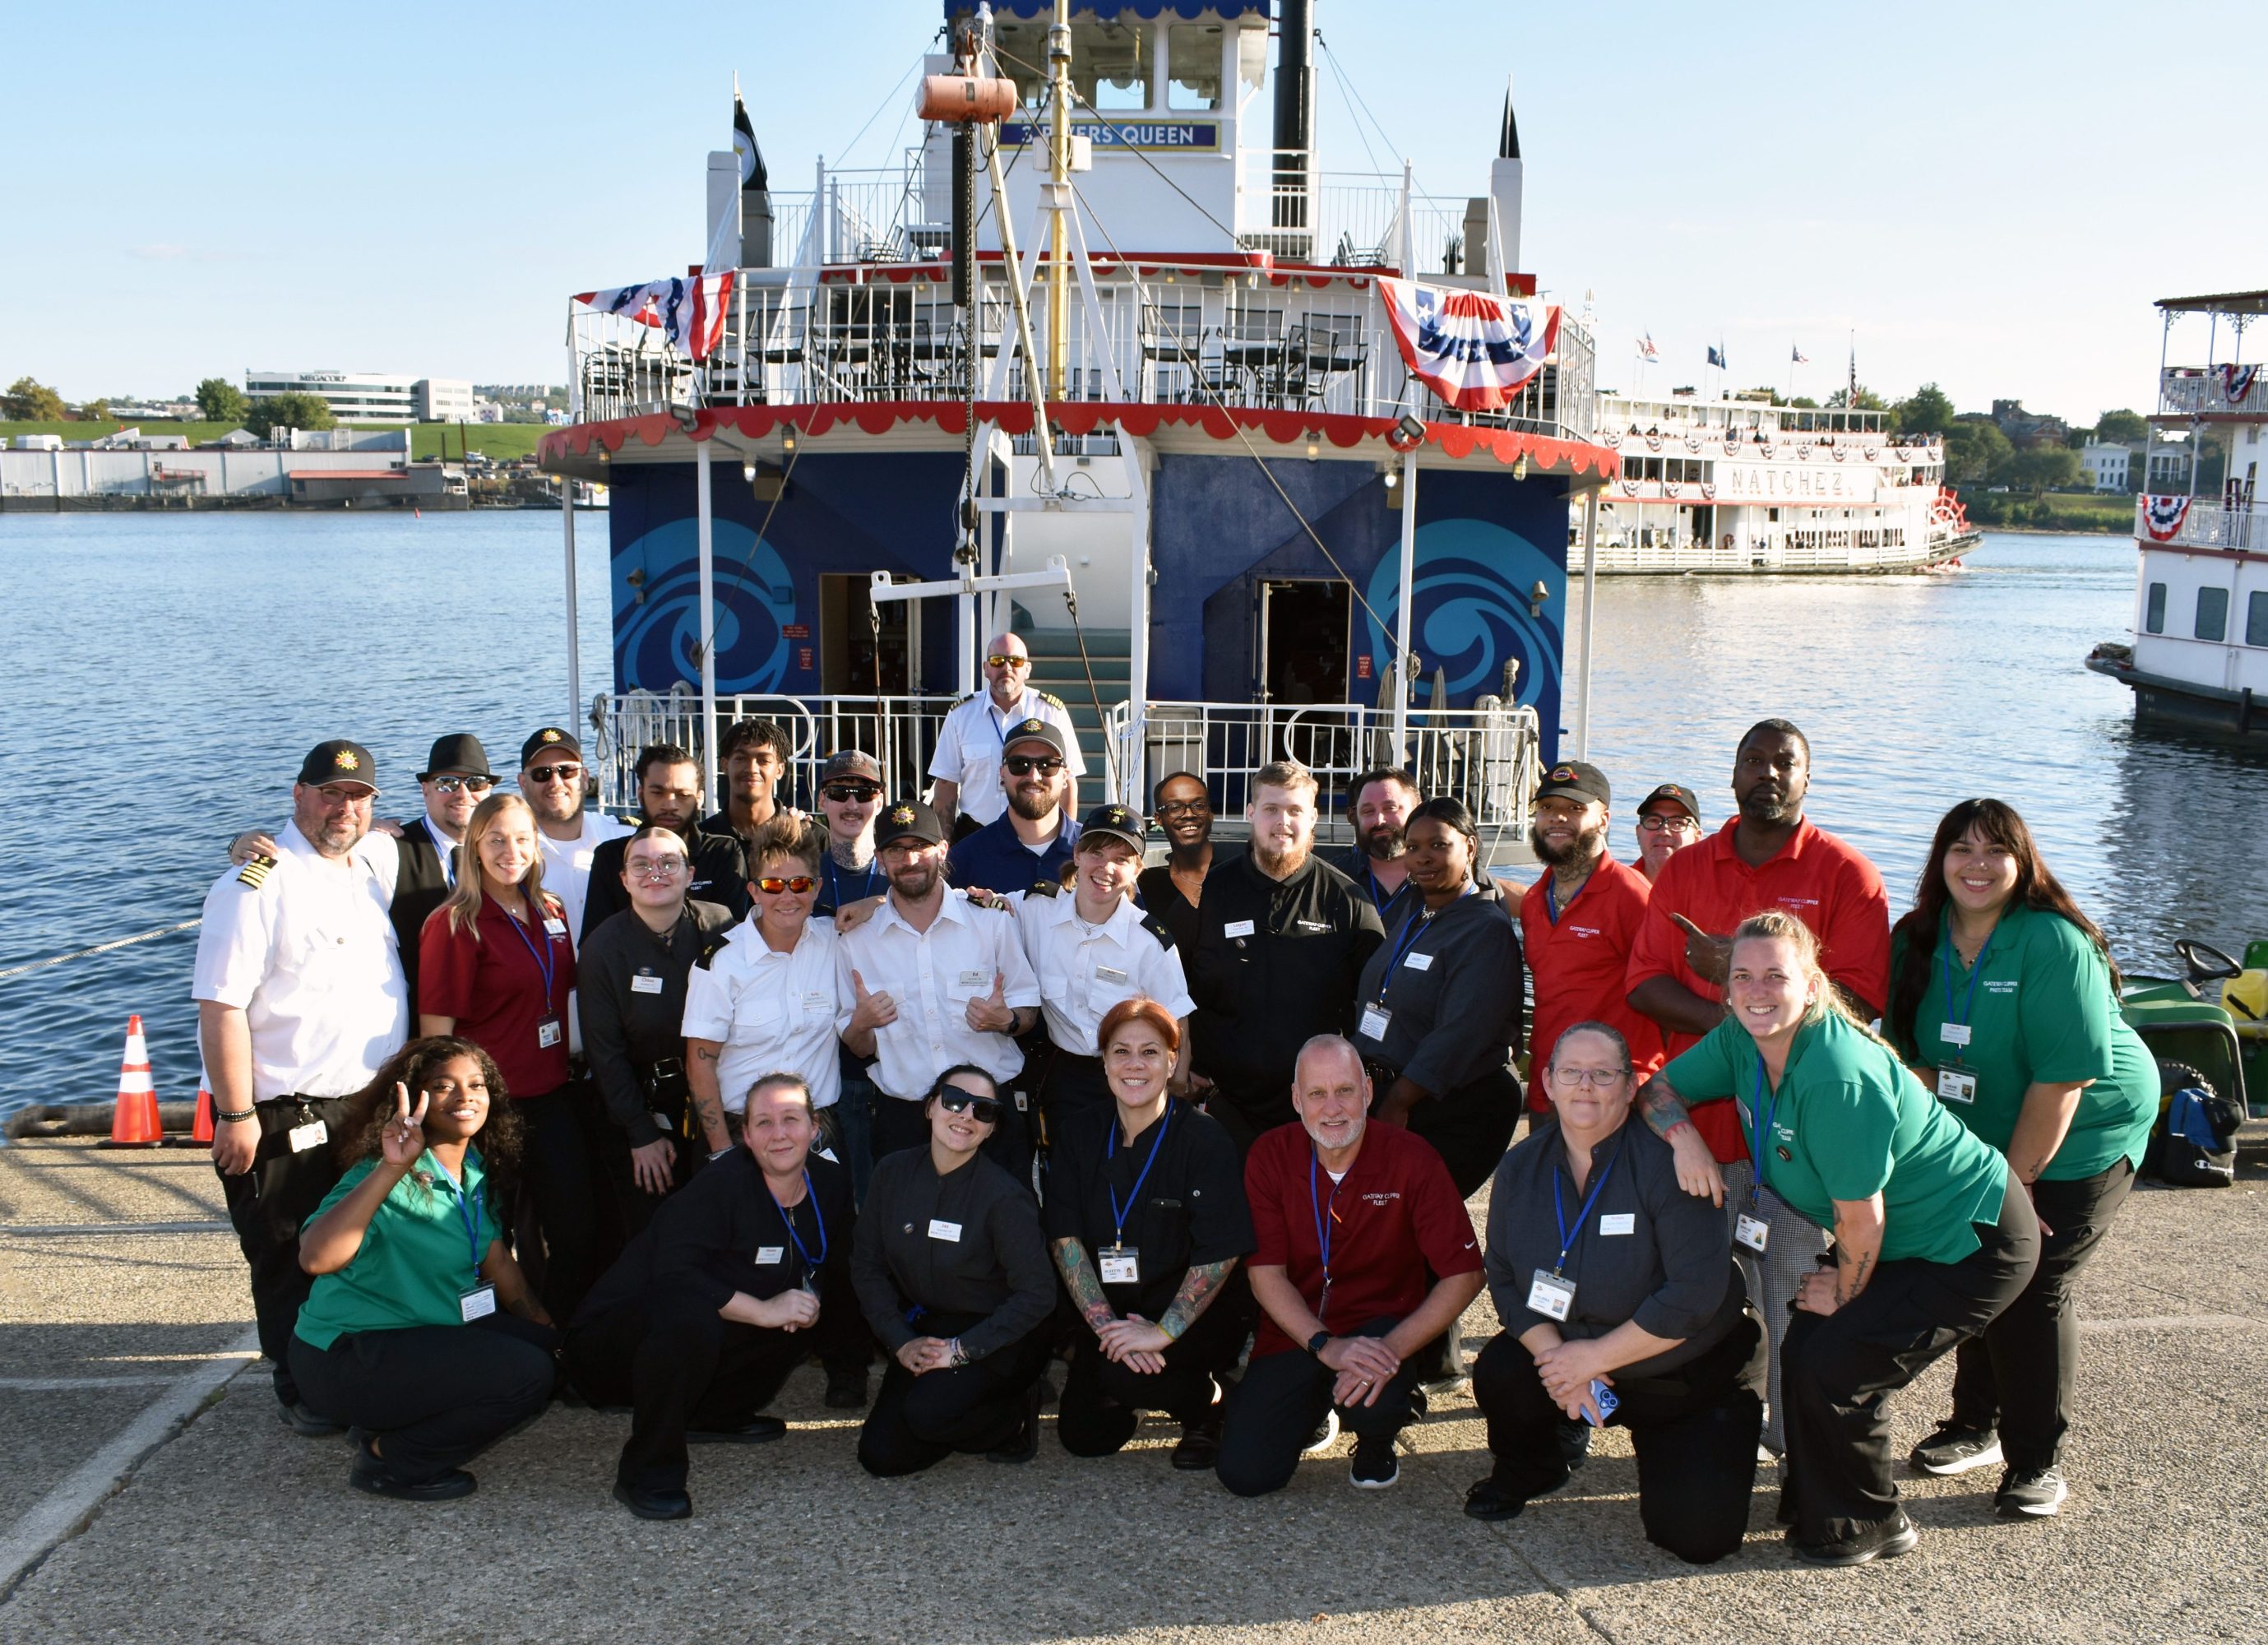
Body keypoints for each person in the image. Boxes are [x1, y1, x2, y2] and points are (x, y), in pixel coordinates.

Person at [1638, 912, 2040, 1565]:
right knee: (1808, 1345)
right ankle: (1817, 1497)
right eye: (1742, 976)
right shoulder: (1744, 1038)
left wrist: (1847, 1291)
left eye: (1776, 975)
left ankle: (1871, 1522)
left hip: (1974, 1240)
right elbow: (1658, 1090)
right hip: (1901, 1236)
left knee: (1840, 1362)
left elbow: (1862, 1222)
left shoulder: (1836, 1074)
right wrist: (1684, 1138)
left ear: (1812, 982)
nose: (1757, 990)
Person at [1884, 799, 2155, 1518]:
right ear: (1939, 860)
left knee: (2031, 1276)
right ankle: (1977, 1427)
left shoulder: (2054, 941)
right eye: (1960, 848)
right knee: (1980, 1259)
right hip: (1986, 1120)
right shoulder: (1914, 940)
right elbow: (1904, 1062)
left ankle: (2036, 1461)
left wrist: (2018, 1181)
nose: (1977, 864)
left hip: (2087, 1124)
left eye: (1995, 850)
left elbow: (2064, 1080)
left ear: (2022, 861)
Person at [1624, 719, 1886, 1439]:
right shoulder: (1686, 869)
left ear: (1807, 777)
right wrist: (1741, 1020)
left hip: (1799, 1153)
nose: (1767, 773)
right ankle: (1695, 1431)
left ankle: (1794, 1442)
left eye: (1784, 763)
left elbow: (1862, 1007)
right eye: (1753, 761)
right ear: (1734, 775)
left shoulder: (1847, 874)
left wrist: (1750, 998)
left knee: (1794, 1302)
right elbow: (1644, 984)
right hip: (1702, 1140)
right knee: (1690, 1293)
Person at [1465, 1023, 1761, 1566]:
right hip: (1572, 1351)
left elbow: (1693, 1295)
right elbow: (1504, 1276)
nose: (1586, 1086)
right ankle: (1538, 1465)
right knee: (1503, 1371)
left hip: (1678, 1369)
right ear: (1548, 1083)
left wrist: (1591, 1359)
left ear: (1630, 1088)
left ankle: (1715, 1431)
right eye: (1571, 1072)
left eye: (1604, 1074)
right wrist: (1558, 1358)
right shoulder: (1520, 1166)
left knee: (1698, 1539)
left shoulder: (1671, 1165)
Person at [192, 739, 406, 1434]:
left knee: (356, 1247)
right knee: (287, 1253)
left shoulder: (371, 861)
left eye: (358, 797)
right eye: (330, 793)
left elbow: (436, 830)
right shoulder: (254, 884)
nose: (343, 808)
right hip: (283, 1112)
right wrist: (236, 1113)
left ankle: (343, 1372)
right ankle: (300, 1389)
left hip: (361, 1106)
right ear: (298, 794)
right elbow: (221, 1007)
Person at [565, 1073, 861, 1520]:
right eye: (763, 1123)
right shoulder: (719, 1186)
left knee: (803, 1309)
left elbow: (838, 1263)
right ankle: (648, 1472)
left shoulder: (830, 1183)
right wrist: (762, 1310)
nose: (778, 1133)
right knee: (694, 1316)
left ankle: (712, 1414)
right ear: (745, 1134)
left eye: (790, 1119)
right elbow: (674, 1278)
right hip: (614, 1344)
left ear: (814, 1126)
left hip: (699, 1326)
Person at [1215, 1036, 1485, 1496]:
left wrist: (1393, 1349)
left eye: (1344, 1090)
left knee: (1376, 1402)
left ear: (1367, 1091)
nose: (1333, 1108)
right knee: (1245, 1474)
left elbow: (1465, 1274)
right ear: (1297, 1099)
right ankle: (1317, 1402)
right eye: (1317, 1094)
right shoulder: (1269, 1155)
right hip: (1298, 1332)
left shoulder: (1412, 1158)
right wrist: (1324, 1346)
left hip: (1379, 1329)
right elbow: (1266, 1276)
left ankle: (1378, 1437)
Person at [289, 1036, 556, 1501]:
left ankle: (394, 1415)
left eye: (477, 1085)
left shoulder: (469, 1169)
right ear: (415, 1097)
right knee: (526, 1375)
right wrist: (393, 1169)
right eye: (444, 1086)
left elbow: (494, 1258)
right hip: (348, 1353)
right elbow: (316, 1258)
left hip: (420, 1333)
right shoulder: (378, 1175)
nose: (465, 1096)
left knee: (544, 1352)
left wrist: (547, 1329)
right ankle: (391, 1457)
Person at [1046, 999, 1254, 1469]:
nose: (1134, 1065)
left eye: (1150, 1052)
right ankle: (1131, 1378)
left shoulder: (1205, 1140)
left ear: (1173, 1061)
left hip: (1192, 1316)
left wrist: (1160, 1334)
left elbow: (1218, 1257)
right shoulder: (1079, 1133)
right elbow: (1065, 1241)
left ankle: (1209, 1404)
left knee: (1129, 1378)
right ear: (1104, 1062)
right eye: (1121, 1052)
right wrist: (1108, 1329)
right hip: (1110, 1311)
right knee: (1085, 1436)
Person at [419, 792, 597, 1322]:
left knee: (576, 1226)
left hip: (550, 1094)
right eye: (496, 839)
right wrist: (446, 1125)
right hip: (487, 1110)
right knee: (486, 1237)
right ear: (474, 845)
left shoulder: (551, 910)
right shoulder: (455, 924)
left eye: (522, 839)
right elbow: (436, 1039)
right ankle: (494, 1341)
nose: (510, 851)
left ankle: (559, 1334)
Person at [852, 1066, 1058, 1474]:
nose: (966, 1115)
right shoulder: (891, 1174)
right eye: (954, 1100)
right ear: (930, 1107)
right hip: (930, 1326)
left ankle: (1013, 1414)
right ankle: (947, 1410)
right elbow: (866, 1265)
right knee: (881, 1458)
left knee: (929, 1414)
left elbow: (1037, 1295)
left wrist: (961, 1352)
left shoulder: (1004, 1197)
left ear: (990, 1129)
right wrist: (900, 1342)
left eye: (983, 1111)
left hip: (1003, 1332)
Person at [1186, 761, 1385, 1157]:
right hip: (1226, 1103)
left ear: (1313, 817)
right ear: (1250, 814)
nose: (1283, 822)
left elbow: (1376, 1006)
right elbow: (1184, 985)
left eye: (1295, 811)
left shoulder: (1347, 901)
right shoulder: (1210, 892)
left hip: (1314, 1108)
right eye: (1272, 809)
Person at [836, 799, 1044, 1179]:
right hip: (905, 1118)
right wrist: (862, 1024)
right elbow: (859, 1046)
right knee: (903, 1235)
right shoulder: (855, 942)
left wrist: (1007, 1020)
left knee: (1006, 1229)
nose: (910, 859)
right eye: (896, 850)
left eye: (920, 847)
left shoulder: (990, 922)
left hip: (988, 1111)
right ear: (880, 859)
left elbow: (1028, 1012)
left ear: (942, 850)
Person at [1351, 797, 1525, 1198]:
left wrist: (1397, 1101)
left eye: (1439, 845)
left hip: (1444, 1107)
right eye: (1412, 847)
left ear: (1470, 846)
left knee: (1416, 1221)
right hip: (1389, 1095)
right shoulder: (1415, 909)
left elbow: (1461, 1031)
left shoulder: (1484, 931)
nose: (1423, 858)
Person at [577, 823, 735, 1233]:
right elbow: (604, 1052)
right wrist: (640, 1134)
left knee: (720, 1225)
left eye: (669, 863)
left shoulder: (721, 926)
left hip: (718, 1104)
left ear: (689, 872)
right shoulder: (601, 949)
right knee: (656, 1233)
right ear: (624, 879)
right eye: (641, 865)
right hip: (645, 1113)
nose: (656, 873)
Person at [1007, 804, 1195, 1130]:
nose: (1106, 867)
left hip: (1132, 1080)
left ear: (1137, 870)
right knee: (1067, 1173)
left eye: (1121, 859)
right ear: (1077, 854)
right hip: (1067, 1078)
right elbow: (981, 908)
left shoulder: (1150, 942)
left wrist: (1175, 1092)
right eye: (1097, 853)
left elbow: (1177, 1024)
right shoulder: (1037, 911)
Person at [682, 814, 846, 1165]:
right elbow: (701, 1064)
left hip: (819, 1131)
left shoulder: (836, 942)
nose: (787, 896)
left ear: (817, 888)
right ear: (754, 890)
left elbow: (891, 914)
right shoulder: (720, 964)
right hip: (742, 1132)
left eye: (799, 884)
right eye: (773, 885)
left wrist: (871, 905)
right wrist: (722, 1150)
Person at [1517, 762, 1663, 1125]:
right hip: (1549, 1087)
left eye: (1575, 809)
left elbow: (1666, 993)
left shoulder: (1632, 896)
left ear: (1604, 819)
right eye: (1547, 808)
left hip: (1612, 1095)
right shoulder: (1536, 899)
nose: (1557, 818)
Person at [582, 743, 750, 938]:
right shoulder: (610, 857)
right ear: (640, 793)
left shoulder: (722, 852)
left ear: (699, 798)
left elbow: (733, 934)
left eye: (683, 795)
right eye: (658, 792)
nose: (670, 804)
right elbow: (596, 939)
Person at [928, 633, 1085, 832]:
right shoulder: (961, 715)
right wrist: (944, 844)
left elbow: (1068, 783)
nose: (1007, 667)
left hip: (1038, 835)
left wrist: (1065, 841)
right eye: (997, 661)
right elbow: (945, 784)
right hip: (976, 834)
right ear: (986, 668)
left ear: (1027, 669)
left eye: (1016, 661)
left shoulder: (1051, 712)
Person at [390, 734, 494, 1008]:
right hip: (418, 1023)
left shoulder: (506, 851)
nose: (463, 794)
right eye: (447, 783)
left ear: (489, 792)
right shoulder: (391, 850)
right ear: (425, 790)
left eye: (476, 783)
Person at [516, 726, 630, 954]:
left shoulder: (625, 838)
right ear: (523, 783)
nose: (556, 782)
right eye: (542, 774)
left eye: (567, 771)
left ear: (585, 778)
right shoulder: (510, 856)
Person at [946, 720, 1082, 895]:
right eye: (1019, 764)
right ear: (1002, 774)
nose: (1034, 776)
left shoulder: (1096, 854)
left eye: (1047, 764)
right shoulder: (964, 860)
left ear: (1065, 776)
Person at [1135, 771, 1220, 952]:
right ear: (1158, 819)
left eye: (1198, 805)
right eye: (1175, 808)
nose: (1188, 814)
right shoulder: (1145, 886)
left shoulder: (1235, 875)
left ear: (1210, 814)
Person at [706, 715, 795, 860]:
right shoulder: (703, 839)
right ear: (724, 765)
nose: (752, 769)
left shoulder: (809, 836)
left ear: (780, 770)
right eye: (741, 759)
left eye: (764, 761)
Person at [1335, 767, 1419, 913]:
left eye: (1390, 808)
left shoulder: (1442, 878)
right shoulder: (1332, 878)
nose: (1379, 821)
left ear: (1417, 809)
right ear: (1354, 816)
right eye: (1368, 811)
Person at [1633, 782, 1703, 883]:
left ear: (1697, 837)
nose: (1664, 832)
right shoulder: (1617, 886)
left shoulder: (1714, 891)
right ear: (1638, 832)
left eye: (1678, 823)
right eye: (1654, 821)